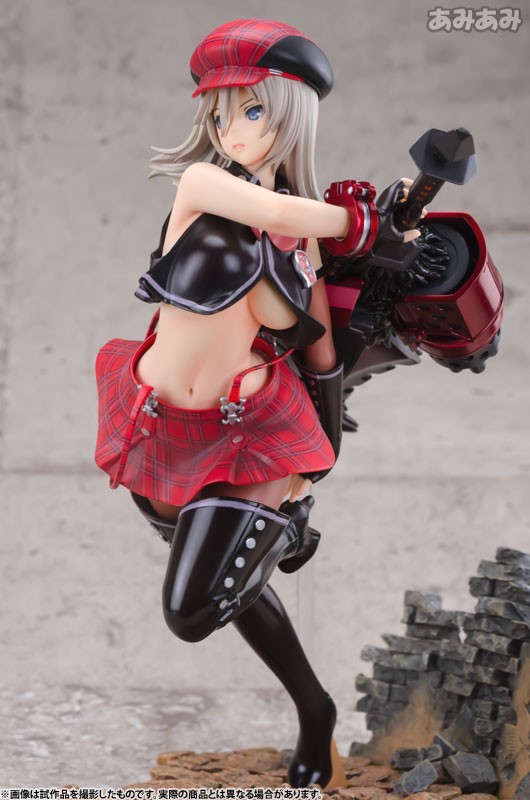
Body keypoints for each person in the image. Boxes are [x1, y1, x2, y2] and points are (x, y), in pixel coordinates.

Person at [95, 18, 418, 789]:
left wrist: (323, 451)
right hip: (160, 423)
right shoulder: (203, 189)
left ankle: (283, 527)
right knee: (228, 581)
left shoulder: (303, 245)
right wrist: (365, 226)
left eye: (251, 110)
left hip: (251, 431)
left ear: (292, 116)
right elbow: (280, 214)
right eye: (219, 112)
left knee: (193, 609)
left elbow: (321, 352)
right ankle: (315, 706)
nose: (231, 129)